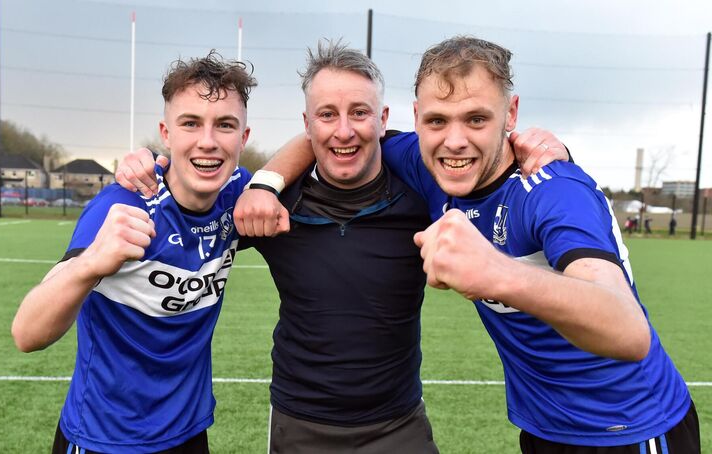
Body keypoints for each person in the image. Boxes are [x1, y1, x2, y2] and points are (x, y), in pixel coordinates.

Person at [237, 36, 700, 452]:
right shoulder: (427, 162)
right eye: (438, 121)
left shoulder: (551, 192)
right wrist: (266, 182)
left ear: (511, 115)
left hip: (632, 426)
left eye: (477, 118)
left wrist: (497, 272)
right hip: (544, 426)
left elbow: (629, 330)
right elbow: (334, 134)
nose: (455, 141)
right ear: (416, 120)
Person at [116, 40, 569, 453]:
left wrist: (553, 148)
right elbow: (187, 194)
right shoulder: (269, 205)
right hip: (299, 424)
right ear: (307, 124)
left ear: (385, 120)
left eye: (360, 112)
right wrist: (145, 167)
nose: (344, 131)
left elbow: (493, 166)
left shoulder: (425, 188)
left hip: (399, 424)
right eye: (327, 115)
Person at [11, 51, 255, 453]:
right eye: (190, 123)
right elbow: (26, 333)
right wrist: (91, 263)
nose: (208, 141)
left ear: (243, 138)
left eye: (225, 125)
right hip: (104, 439)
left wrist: (269, 185)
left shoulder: (237, 193)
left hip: (189, 435)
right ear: (166, 133)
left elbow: (310, 149)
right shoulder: (121, 206)